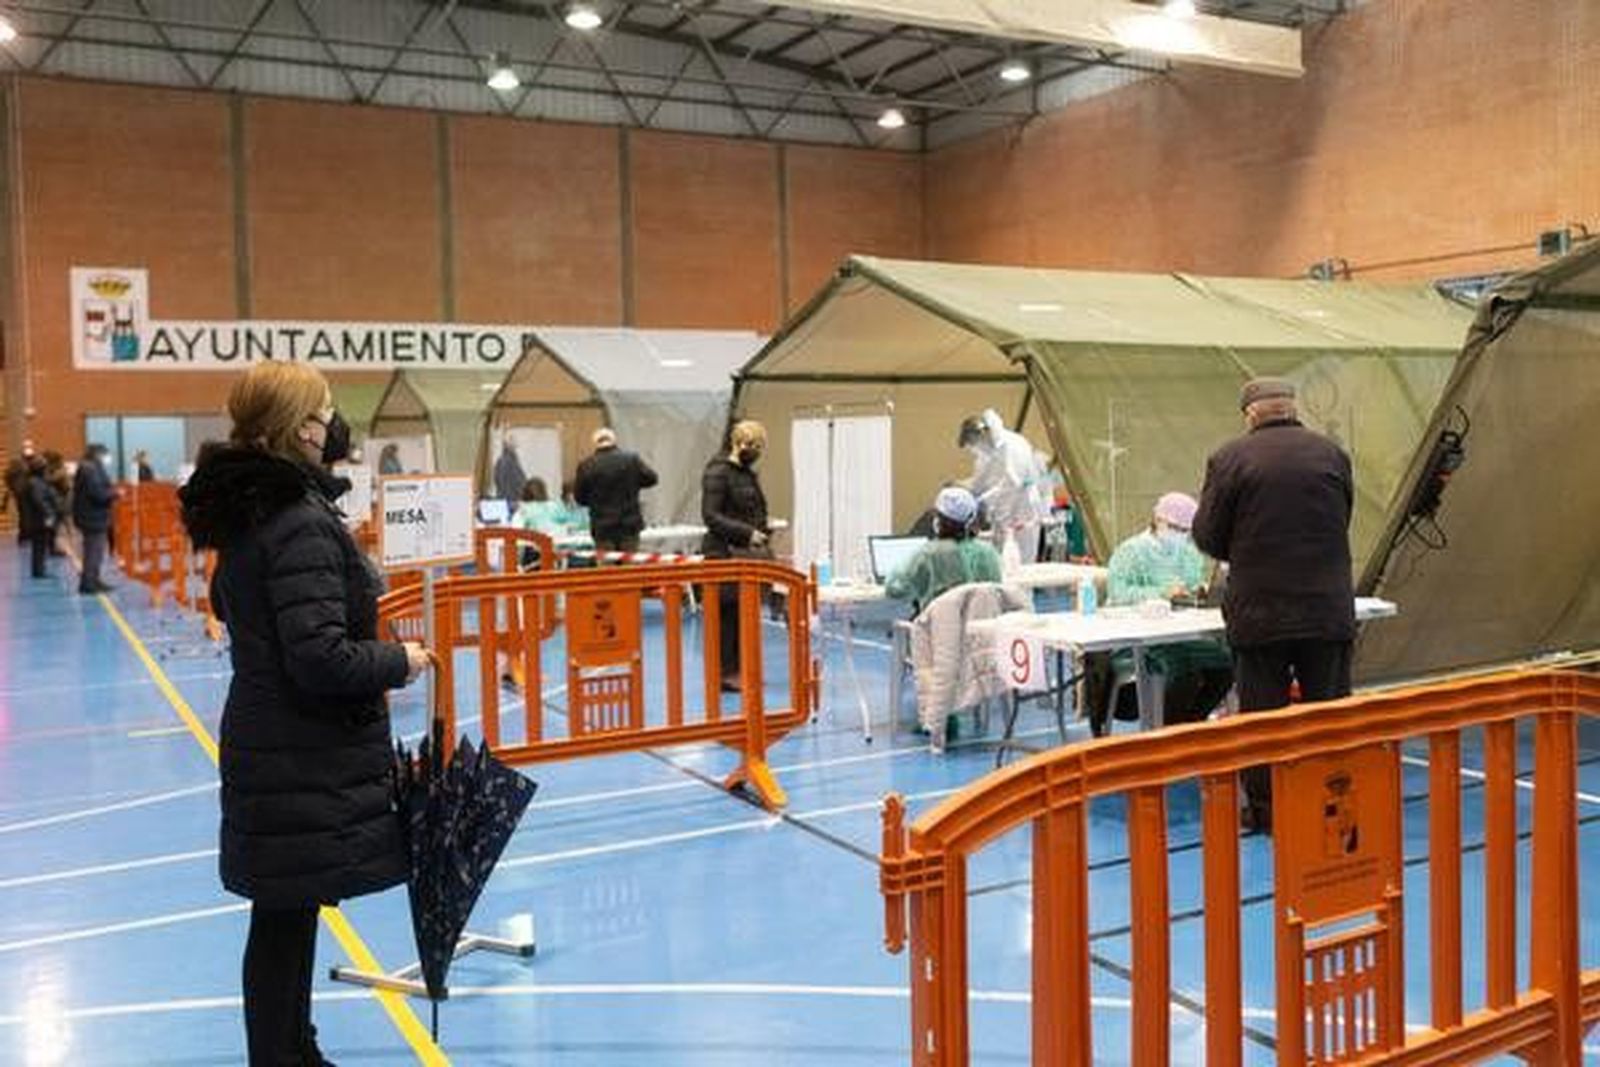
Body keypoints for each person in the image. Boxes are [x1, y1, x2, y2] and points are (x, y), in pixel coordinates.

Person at [178, 362, 430, 1066]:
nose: (331, 425)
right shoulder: (298, 524)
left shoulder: (255, 515)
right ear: (297, 427)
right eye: (321, 413)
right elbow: (319, 656)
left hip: (276, 741)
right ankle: (284, 1054)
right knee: (283, 918)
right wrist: (398, 659)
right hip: (300, 746)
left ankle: (294, 1048)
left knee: (286, 913)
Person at [1192, 377, 1355, 833]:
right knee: (1331, 714)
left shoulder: (1229, 459)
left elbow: (1207, 535)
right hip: (1327, 609)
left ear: (1250, 415)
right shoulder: (1332, 454)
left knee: (1262, 718)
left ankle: (1266, 813)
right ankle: (1331, 798)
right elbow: (1342, 517)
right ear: (1293, 408)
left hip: (1261, 613)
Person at [1084, 492, 1232, 735]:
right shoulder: (1131, 552)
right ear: (1157, 520)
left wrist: (1198, 591)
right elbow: (1119, 593)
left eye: (1187, 530)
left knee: (1226, 665)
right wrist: (1161, 592)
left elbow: (1191, 586)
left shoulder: (1187, 553)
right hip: (1141, 637)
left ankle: (1188, 727)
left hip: (1179, 633)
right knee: (1185, 672)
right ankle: (1167, 738)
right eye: (1176, 528)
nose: (1181, 535)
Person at [701, 420, 771, 693]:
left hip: (745, 554)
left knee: (744, 615)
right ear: (737, 442)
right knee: (727, 616)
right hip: (723, 553)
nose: (755, 451)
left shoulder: (746, 473)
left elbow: (752, 508)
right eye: (751, 445)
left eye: (758, 447)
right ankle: (726, 673)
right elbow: (710, 515)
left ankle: (741, 669)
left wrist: (764, 527)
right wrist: (747, 533)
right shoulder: (717, 472)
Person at [886, 486, 1001, 613]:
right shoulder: (988, 553)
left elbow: (895, 589)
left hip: (939, 629)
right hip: (980, 629)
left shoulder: (928, 554)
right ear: (971, 519)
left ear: (937, 518)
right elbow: (996, 588)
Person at [959, 409, 1048, 563]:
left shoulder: (1013, 447)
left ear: (982, 435)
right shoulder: (989, 452)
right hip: (1006, 515)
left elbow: (1011, 488)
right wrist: (965, 490)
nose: (974, 449)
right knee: (1002, 559)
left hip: (1023, 510)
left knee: (1020, 561)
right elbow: (982, 481)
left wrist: (999, 518)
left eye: (973, 444)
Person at [573, 427, 659, 554]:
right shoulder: (631, 460)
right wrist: (634, 485)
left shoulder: (586, 465)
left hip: (602, 527)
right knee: (630, 567)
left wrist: (594, 500)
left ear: (595, 443)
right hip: (629, 524)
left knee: (607, 571)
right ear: (614, 440)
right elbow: (652, 478)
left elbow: (579, 498)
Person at [72, 443, 119, 594]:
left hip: (92, 516)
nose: (107, 458)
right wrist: (115, 494)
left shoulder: (90, 468)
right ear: (98, 454)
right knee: (93, 552)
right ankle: (88, 584)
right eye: (105, 454)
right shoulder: (90, 469)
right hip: (92, 517)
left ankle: (94, 580)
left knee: (96, 552)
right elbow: (98, 494)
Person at [20, 455, 63, 579]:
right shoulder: (35, 483)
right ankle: (39, 571)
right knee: (39, 545)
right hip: (39, 519)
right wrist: (49, 515)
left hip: (38, 518)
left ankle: (39, 569)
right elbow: (39, 501)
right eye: (44, 467)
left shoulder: (35, 481)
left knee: (40, 545)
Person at [4, 438, 38, 547]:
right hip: (22, 493)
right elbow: (8, 476)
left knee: (30, 516)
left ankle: (28, 536)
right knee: (25, 516)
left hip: (32, 492)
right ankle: (24, 537)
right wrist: (12, 489)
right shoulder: (17, 463)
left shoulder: (35, 461)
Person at [492, 435, 527, 506]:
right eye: (513, 443)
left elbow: (497, 480)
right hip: (510, 500)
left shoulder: (506, 460)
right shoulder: (507, 461)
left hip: (508, 500)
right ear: (507, 445)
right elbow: (518, 481)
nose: (515, 447)